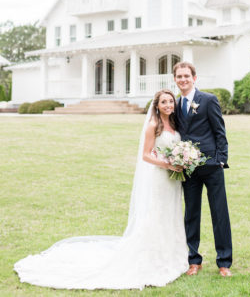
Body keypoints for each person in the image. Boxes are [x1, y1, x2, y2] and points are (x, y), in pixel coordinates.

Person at [14, 89, 188, 290]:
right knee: (155, 215)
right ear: (156, 106)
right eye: (164, 102)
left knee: (170, 214)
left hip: (172, 181)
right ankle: (152, 258)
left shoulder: (174, 124)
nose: (168, 105)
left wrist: (180, 159)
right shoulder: (153, 125)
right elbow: (146, 155)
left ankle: (170, 255)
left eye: (170, 101)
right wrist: (167, 164)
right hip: (159, 177)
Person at [173, 61, 233, 277]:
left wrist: (220, 159)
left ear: (194, 78)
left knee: (220, 213)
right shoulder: (175, 104)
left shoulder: (208, 100)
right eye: (179, 76)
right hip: (188, 169)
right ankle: (194, 260)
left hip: (211, 166)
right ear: (175, 79)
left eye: (186, 76)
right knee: (191, 214)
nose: (183, 80)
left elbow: (220, 131)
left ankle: (224, 262)